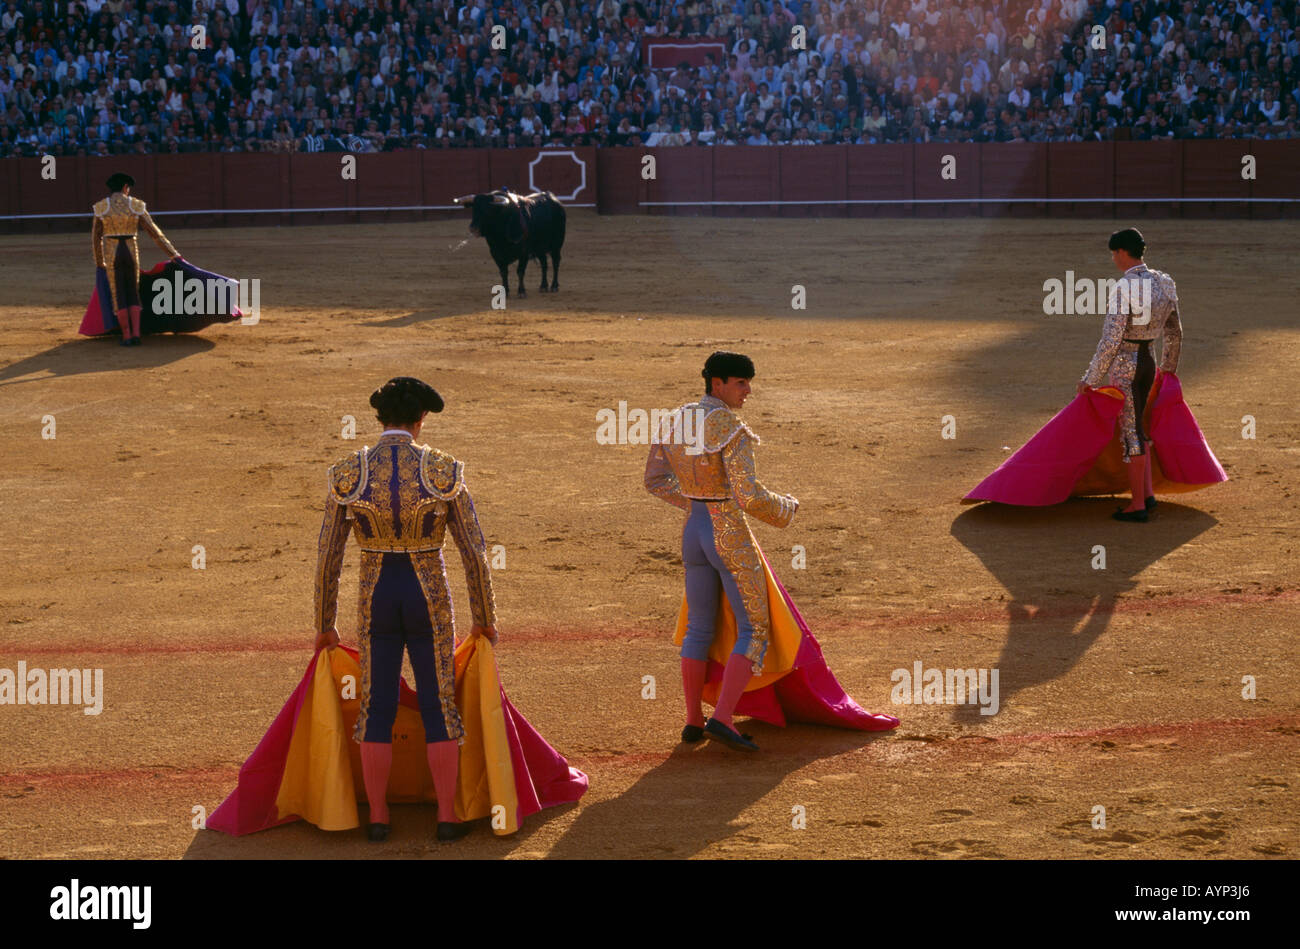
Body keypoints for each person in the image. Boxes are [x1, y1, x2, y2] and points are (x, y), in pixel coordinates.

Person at [645, 352, 898, 751]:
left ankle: (694, 721)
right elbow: (748, 495)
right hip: (726, 533)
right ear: (718, 384)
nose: (748, 391)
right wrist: (786, 508)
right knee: (753, 629)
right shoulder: (729, 426)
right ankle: (723, 718)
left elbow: (655, 481)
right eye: (741, 383)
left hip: (693, 532)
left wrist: (695, 503)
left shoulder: (674, 420)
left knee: (699, 628)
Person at [313, 377, 498, 842]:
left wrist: (324, 624)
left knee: (376, 705)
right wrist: (485, 617)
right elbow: (474, 551)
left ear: (380, 420)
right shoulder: (441, 469)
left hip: (377, 593)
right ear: (421, 420)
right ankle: (447, 819)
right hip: (427, 595)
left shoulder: (349, 472)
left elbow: (328, 556)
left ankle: (377, 817)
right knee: (439, 702)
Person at [1077, 227, 1183, 522]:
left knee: (1131, 433)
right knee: (1141, 427)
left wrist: (1091, 379)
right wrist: (1168, 369)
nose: (1113, 259)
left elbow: (1111, 341)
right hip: (1148, 360)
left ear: (1123, 252)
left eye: (1114, 253)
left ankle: (1137, 505)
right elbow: (1175, 332)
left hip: (1126, 363)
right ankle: (1147, 495)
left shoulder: (1124, 288)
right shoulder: (1164, 283)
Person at [91, 172, 182, 346]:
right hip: (130, 252)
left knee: (119, 294)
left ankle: (126, 336)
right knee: (133, 293)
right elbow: (155, 233)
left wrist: (99, 262)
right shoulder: (136, 205)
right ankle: (137, 334)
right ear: (125, 187)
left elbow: (96, 238)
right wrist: (173, 254)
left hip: (112, 253)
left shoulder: (101, 207)